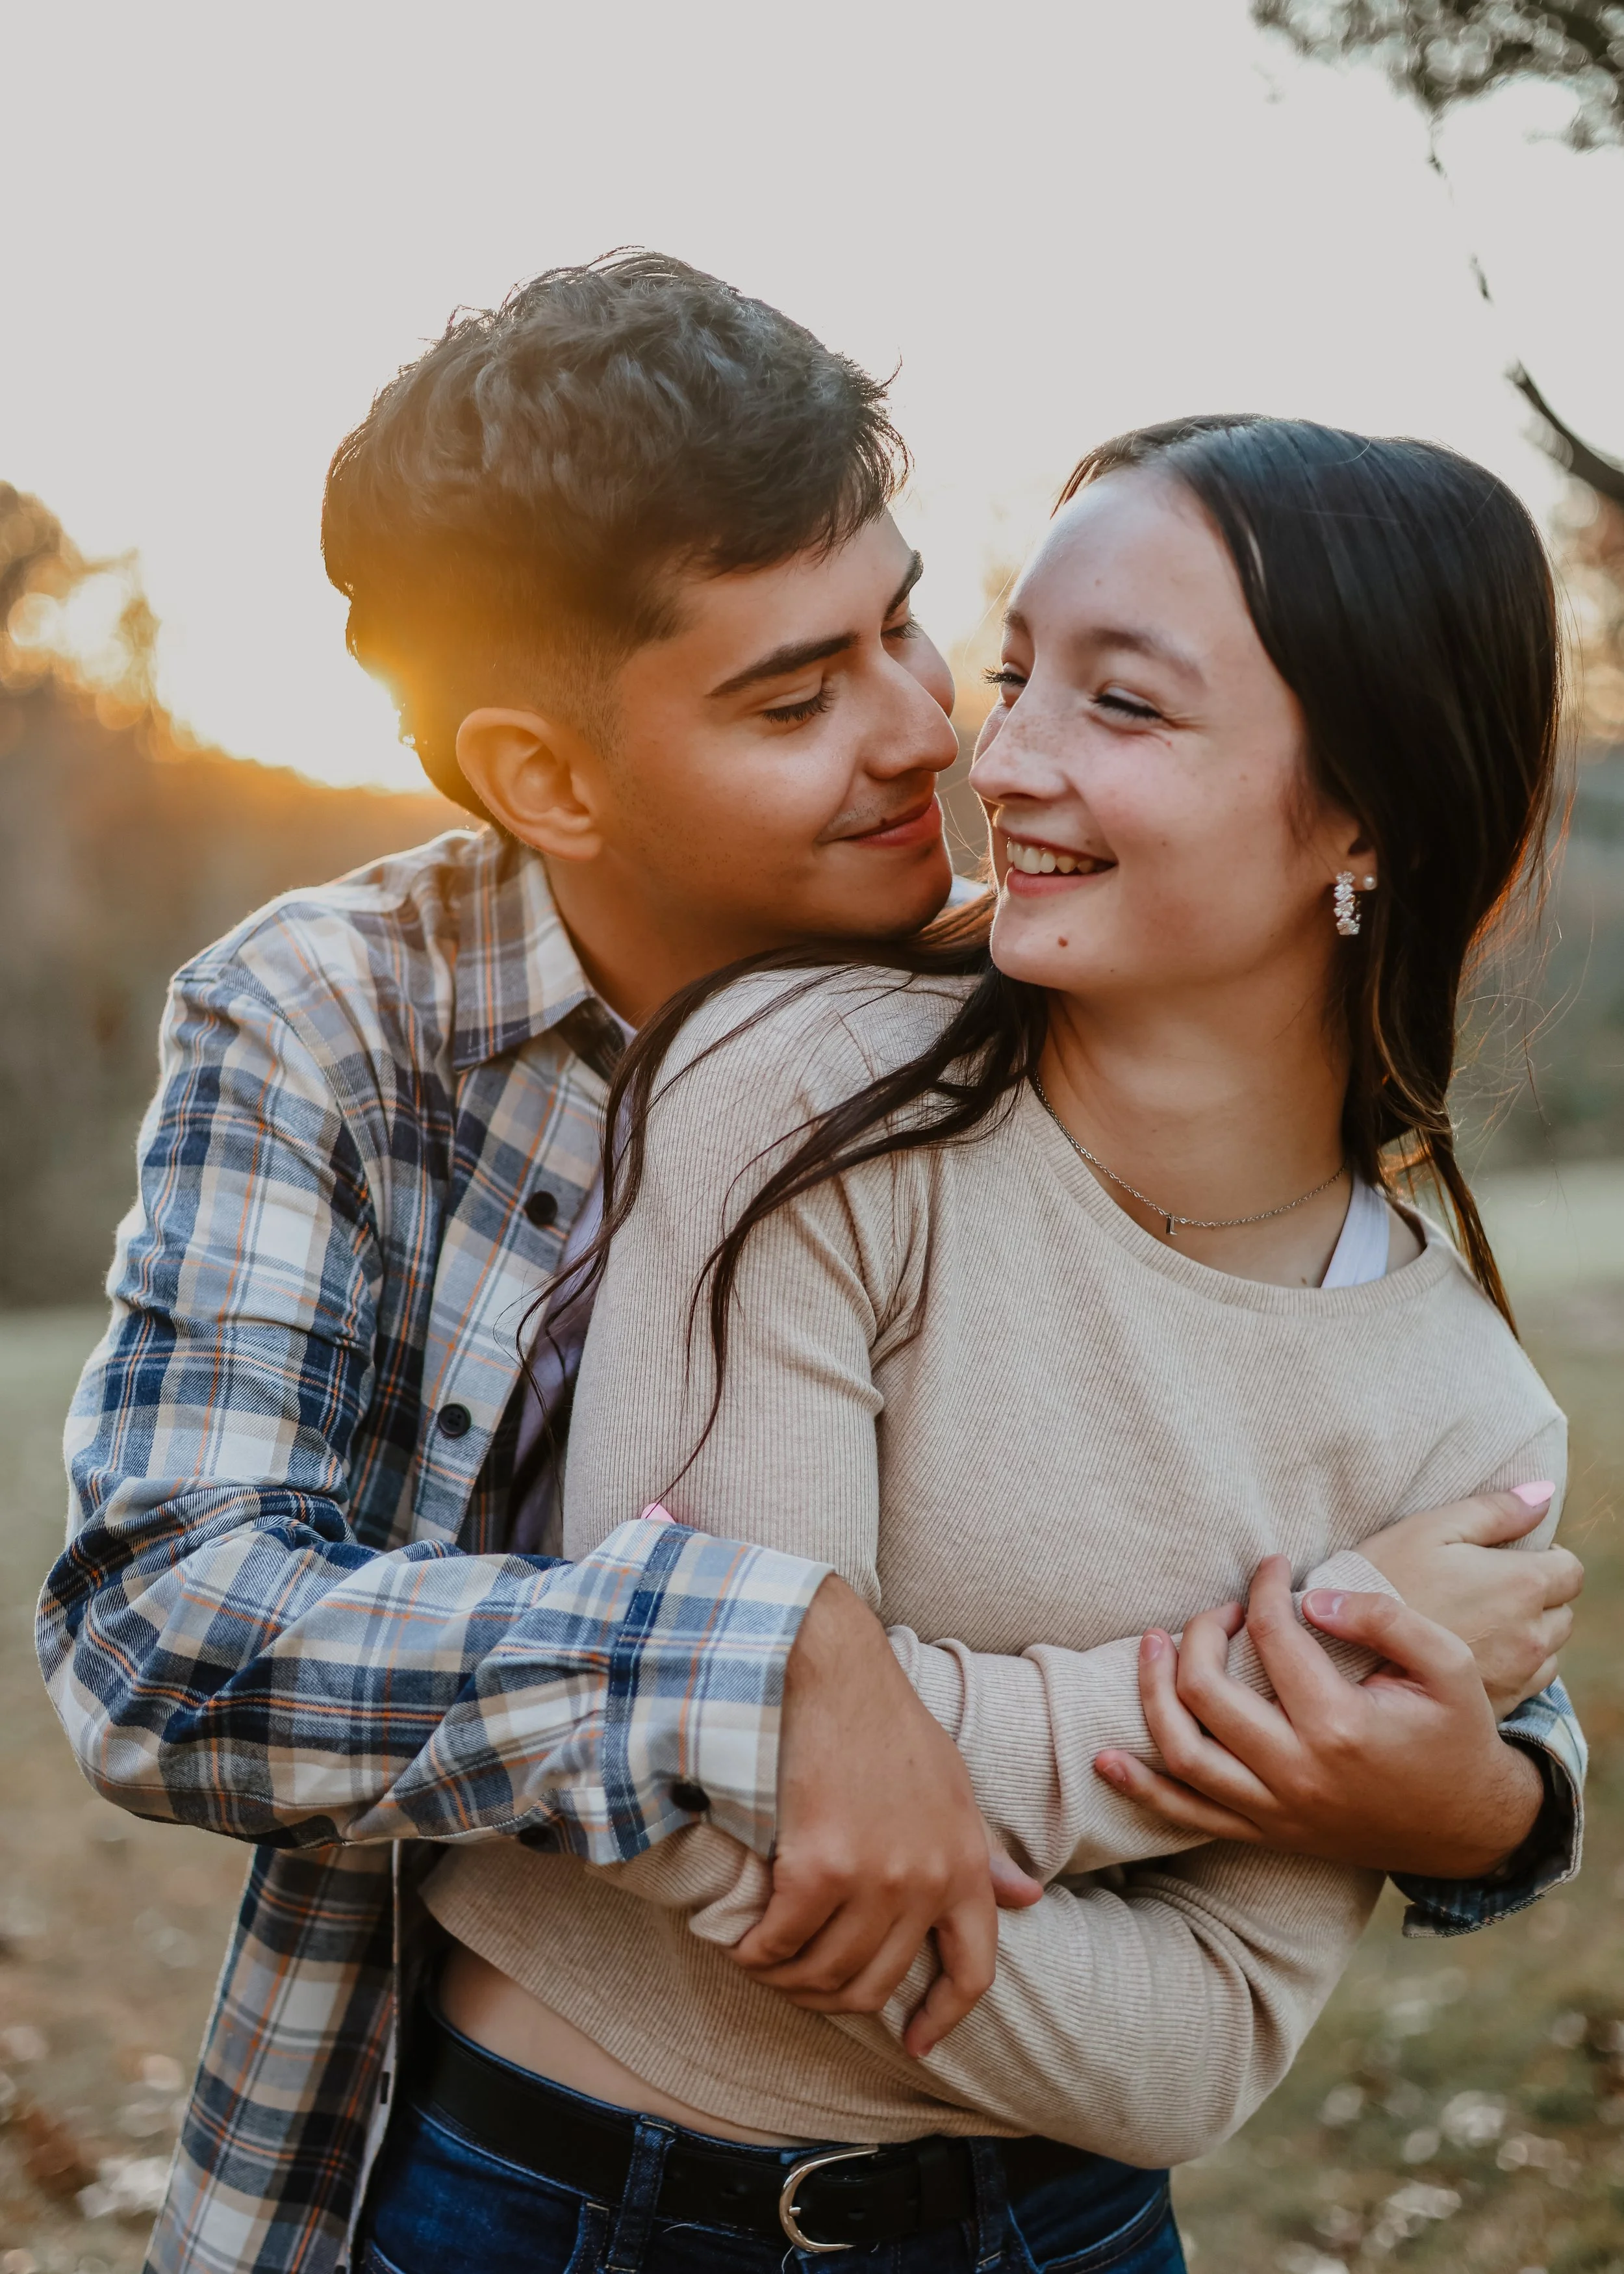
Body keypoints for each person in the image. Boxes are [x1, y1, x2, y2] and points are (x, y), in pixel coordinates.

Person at [34, 262, 1578, 2274]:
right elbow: (168, 1630)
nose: (940, 739)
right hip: (511, 2158)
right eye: (792, 695)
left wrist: (1483, 1797)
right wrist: (760, 1660)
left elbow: (1370, 1651)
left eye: (913, 626)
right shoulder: (345, 1020)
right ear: (550, 777)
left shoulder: (1037, 966)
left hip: (1041, 2213)